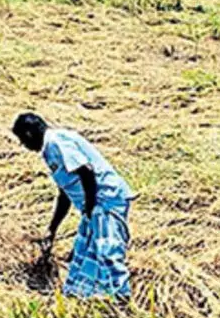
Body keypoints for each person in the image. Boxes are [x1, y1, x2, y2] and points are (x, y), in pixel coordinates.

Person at [12, 112, 135, 299]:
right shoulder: (49, 150)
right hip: (94, 205)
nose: (24, 146)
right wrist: (52, 229)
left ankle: (121, 299)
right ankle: (87, 298)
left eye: (22, 140)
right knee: (83, 252)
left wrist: (91, 207)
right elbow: (65, 193)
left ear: (29, 134)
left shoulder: (56, 142)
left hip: (106, 200)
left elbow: (86, 172)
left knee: (107, 251)